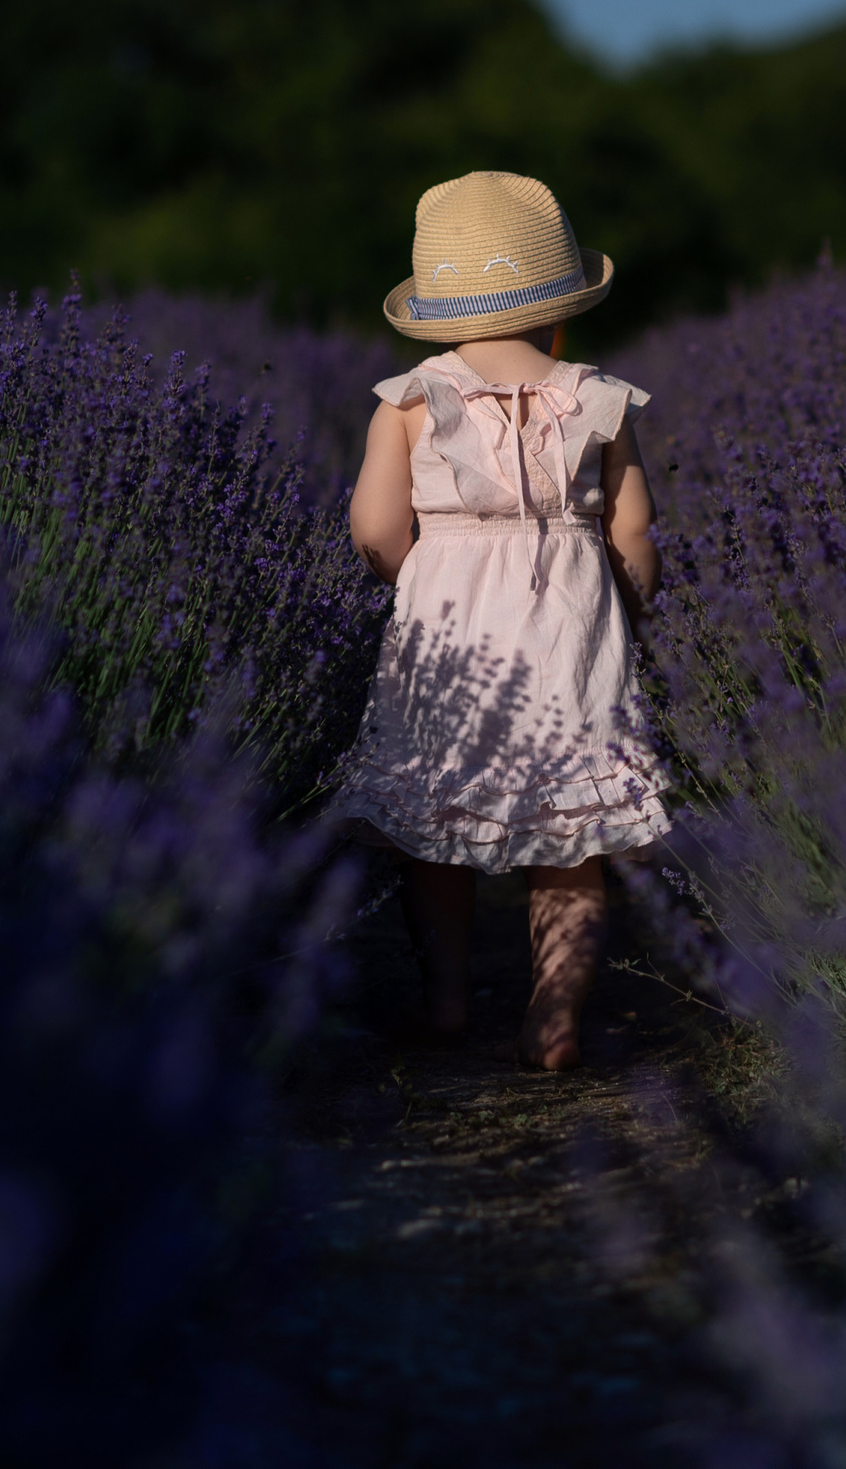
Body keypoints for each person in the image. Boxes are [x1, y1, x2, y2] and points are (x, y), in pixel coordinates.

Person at [334, 171, 672, 1071]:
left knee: (433, 827)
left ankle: (445, 1001)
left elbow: (373, 529)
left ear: (438, 316)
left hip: (446, 628)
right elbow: (633, 532)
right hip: (570, 623)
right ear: (561, 312)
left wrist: (418, 576)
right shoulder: (599, 398)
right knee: (570, 842)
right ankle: (553, 1012)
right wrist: (633, 602)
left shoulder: (406, 399)